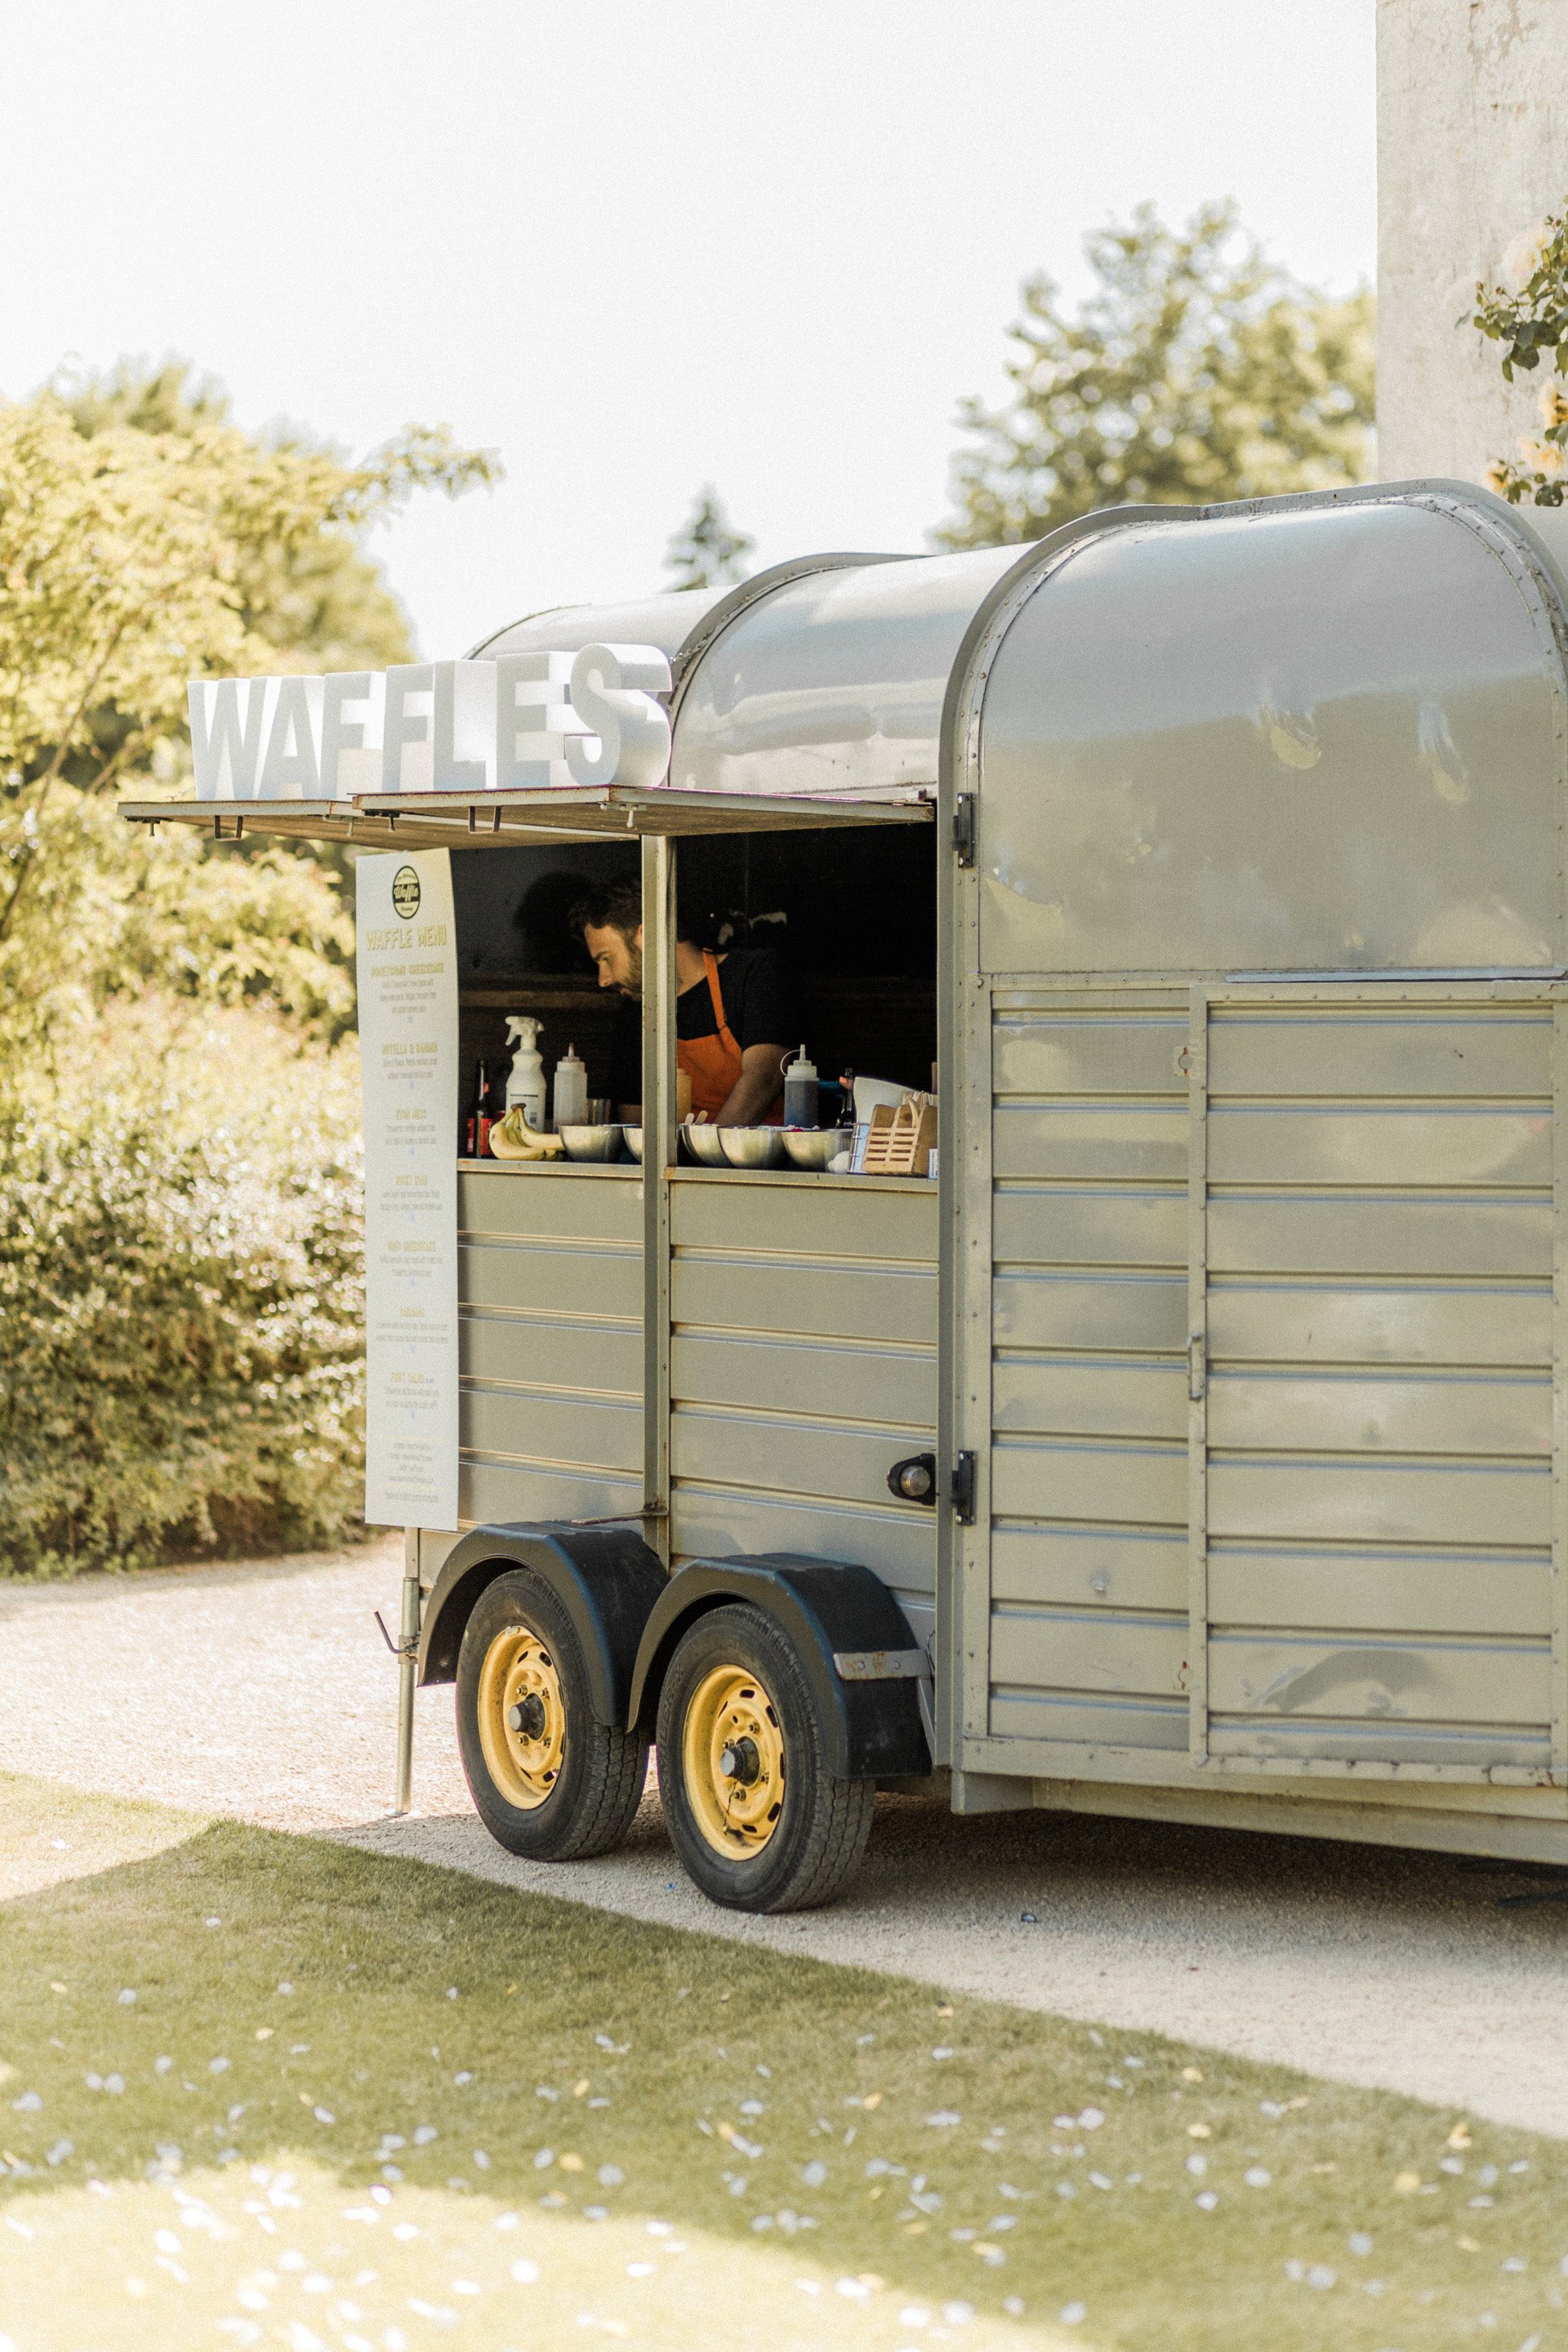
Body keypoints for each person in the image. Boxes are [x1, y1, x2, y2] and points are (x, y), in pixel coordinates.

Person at [571, 879, 795, 1125]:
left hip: (755, 1158)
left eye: (606, 959)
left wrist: (707, 1155)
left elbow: (763, 1079)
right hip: (677, 1160)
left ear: (646, 935)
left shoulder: (755, 973)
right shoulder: (637, 1012)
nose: (603, 980)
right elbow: (635, 1125)